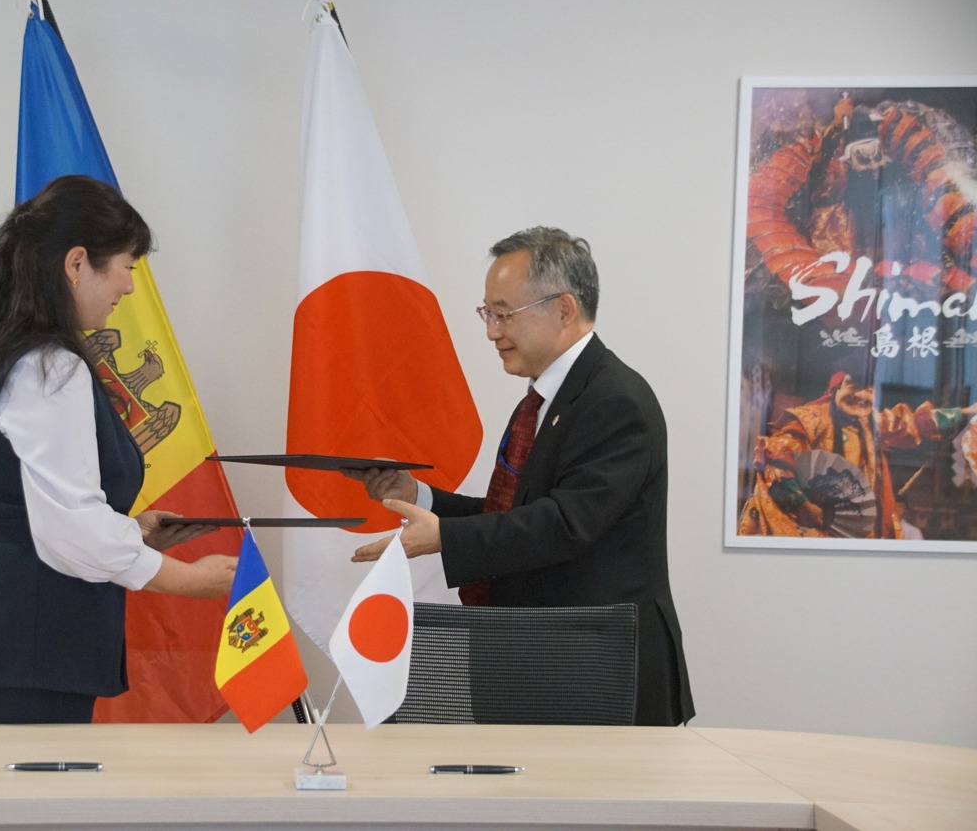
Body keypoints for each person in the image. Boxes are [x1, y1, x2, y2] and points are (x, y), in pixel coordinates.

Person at [0, 175, 237, 724]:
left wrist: (133, 530)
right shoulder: (49, 365)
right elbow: (69, 529)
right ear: (77, 264)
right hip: (16, 654)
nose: (129, 287)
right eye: (127, 266)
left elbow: (10, 501)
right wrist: (190, 580)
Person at [342, 227, 694, 727]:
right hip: (539, 659)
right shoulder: (544, 399)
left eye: (504, 313)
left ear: (564, 309)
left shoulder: (616, 400)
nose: (491, 331)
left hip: (599, 671)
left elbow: (565, 523)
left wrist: (444, 537)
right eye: (487, 312)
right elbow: (512, 515)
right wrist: (420, 496)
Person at [738, 367, 977, 539]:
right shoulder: (809, 420)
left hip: (857, 531)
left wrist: (967, 411)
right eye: (852, 386)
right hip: (804, 527)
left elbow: (915, 422)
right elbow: (776, 465)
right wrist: (809, 509)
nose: (861, 396)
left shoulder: (871, 423)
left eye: (869, 390)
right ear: (835, 389)